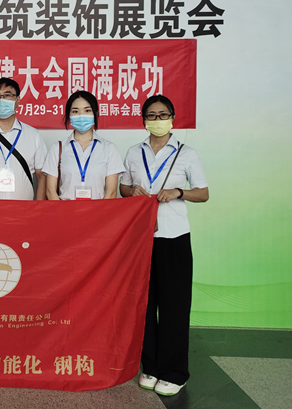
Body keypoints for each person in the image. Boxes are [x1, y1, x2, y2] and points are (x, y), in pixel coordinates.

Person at [119, 95, 209, 397]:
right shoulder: (134, 152)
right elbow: (123, 188)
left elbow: (203, 193)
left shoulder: (186, 153)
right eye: (151, 115)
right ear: (143, 119)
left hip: (174, 237)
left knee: (174, 307)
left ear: (172, 117)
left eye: (163, 115)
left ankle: (174, 372)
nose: (157, 120)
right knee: (145, 304)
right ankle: (151, 365)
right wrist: (132, 190)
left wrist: (178, 191)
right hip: (142, 238)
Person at [43, 90, 124, 200]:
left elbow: (111, 193)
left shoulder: (109, 148)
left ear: (96, 113)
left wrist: (99, 212)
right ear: (69, 115)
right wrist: (63, 211)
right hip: (66, 209)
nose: (81, 115)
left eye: (87, 110)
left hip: (98, 210)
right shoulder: (57, 148)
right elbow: (50, 191)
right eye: (75, 111)